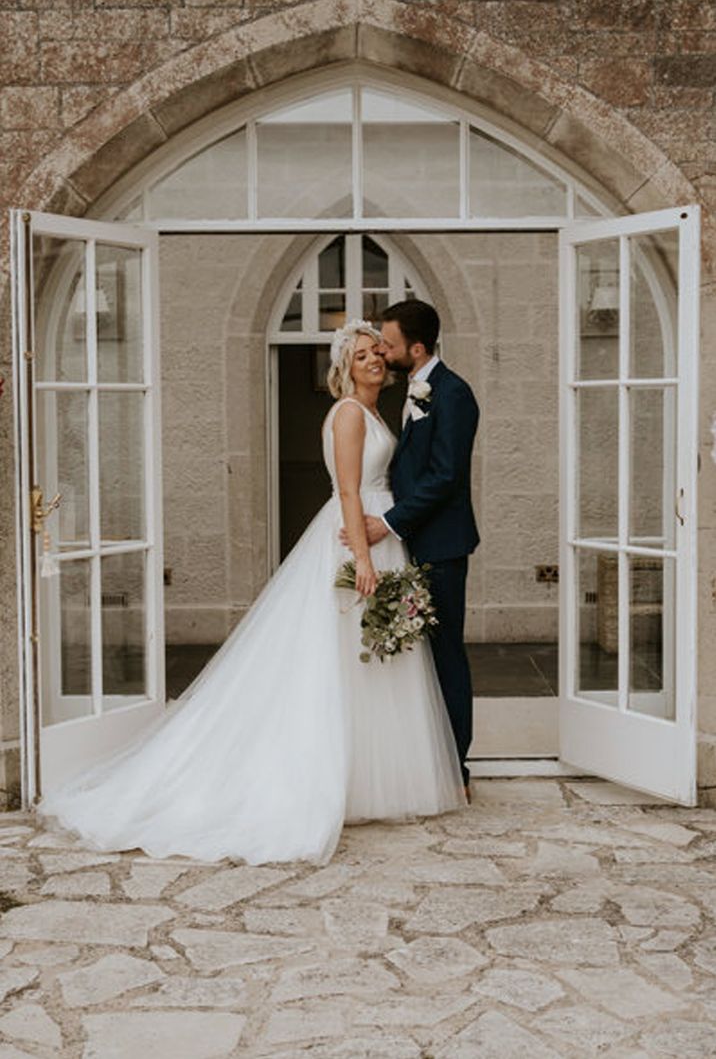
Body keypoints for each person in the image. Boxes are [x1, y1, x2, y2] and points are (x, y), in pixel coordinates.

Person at [36, 320, 465, 867]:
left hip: (379, 534)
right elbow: (351, 490)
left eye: (376, 352)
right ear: (344, 369)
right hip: (357, 535)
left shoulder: (376, 411)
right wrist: (361, 557)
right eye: (360, 357)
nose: (374, 361)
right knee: (339, 660)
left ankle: (367, 780)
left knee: (370, 662)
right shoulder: (350, 415)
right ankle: (320, 779)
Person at [343, 300, 480, 800]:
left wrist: (390, 522)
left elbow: (445, 476)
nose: (381, 350)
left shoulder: (452, 394)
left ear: (416, 349)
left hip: (439, 546)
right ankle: (426, 763)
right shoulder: (410, 392)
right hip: (409, 544)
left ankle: (457, 769)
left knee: (445, 658)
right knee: (416, 664)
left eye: (389, 344)